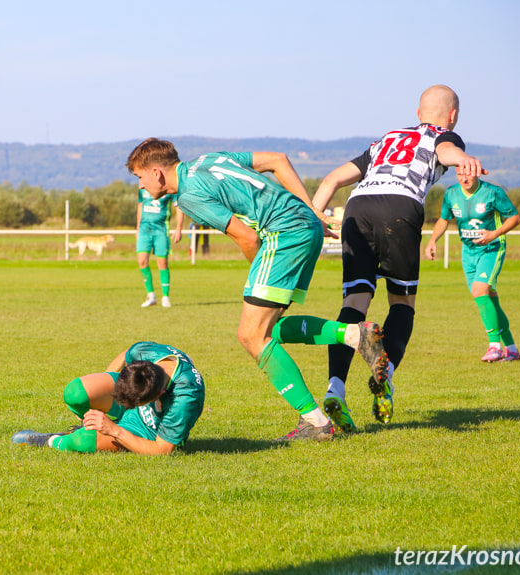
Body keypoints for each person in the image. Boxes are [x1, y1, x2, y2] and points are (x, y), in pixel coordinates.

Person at [126, 138, 389, 442]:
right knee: (269, 331)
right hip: (305, 226)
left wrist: (258, 276)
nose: (142, 187)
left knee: (251, 335)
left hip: (283, 234)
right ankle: (356, 335)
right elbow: (277, 159)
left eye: (140, 177)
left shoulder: (188, 195)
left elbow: (247, 238)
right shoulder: (212, 159)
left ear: (157, 172)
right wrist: (312, 211)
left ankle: (315, 422)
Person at [312, 85, 486, 430]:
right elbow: (447, 150)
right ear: (452, 116)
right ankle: (385, 376)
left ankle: (335, 387)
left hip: (357, 206)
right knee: (402, 303)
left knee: (356, 301)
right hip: (400, 205)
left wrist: (315, 215)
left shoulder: (386, 139)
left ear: (418, 113)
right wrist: (462, 159)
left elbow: (333, 178)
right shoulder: (443, 134)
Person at [12, 341, 204, 455]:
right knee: (76, 393)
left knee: (81, 441)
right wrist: (103, 387)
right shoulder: (148, 354)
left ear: (159, 396)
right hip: (137, 389)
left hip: (148, 429)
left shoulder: (185, 397)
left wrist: (115, 430)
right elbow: (126, 353)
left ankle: (50, 440)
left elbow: (162, 449)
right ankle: (91, 424)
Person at [425, 170, 520, 361]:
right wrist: (432, 240)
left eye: (468, 174)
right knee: (488, 298)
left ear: (477, 173)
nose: (464, 178)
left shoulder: (492, 192)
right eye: (460, 174)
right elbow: (444, 219)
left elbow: (515, 218)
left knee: (479, 290)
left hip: (492, 248)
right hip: (468, 252)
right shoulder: (451, 193)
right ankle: (511, 348)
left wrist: (494, 234)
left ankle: (494, 346)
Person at [136, 188, 184, 307]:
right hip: (144, 230)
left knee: (162, 262)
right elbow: (140, 206)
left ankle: (165, 297)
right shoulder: (143, 188)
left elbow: (179, 208)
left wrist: (178, 229)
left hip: (161, 230)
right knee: (141, 261)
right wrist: (137, 228)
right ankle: (151, 295)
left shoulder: (168, 189)